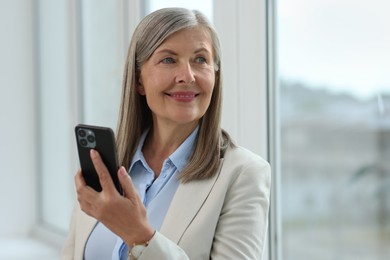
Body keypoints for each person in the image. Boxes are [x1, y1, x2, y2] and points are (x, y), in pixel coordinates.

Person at [61, 7, 271, 260]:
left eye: (201, 59)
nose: (187, 76)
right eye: (169, 60)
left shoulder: (243, 174)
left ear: (215, 76)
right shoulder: (107, 166)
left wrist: (139, 237)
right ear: (139, 80)